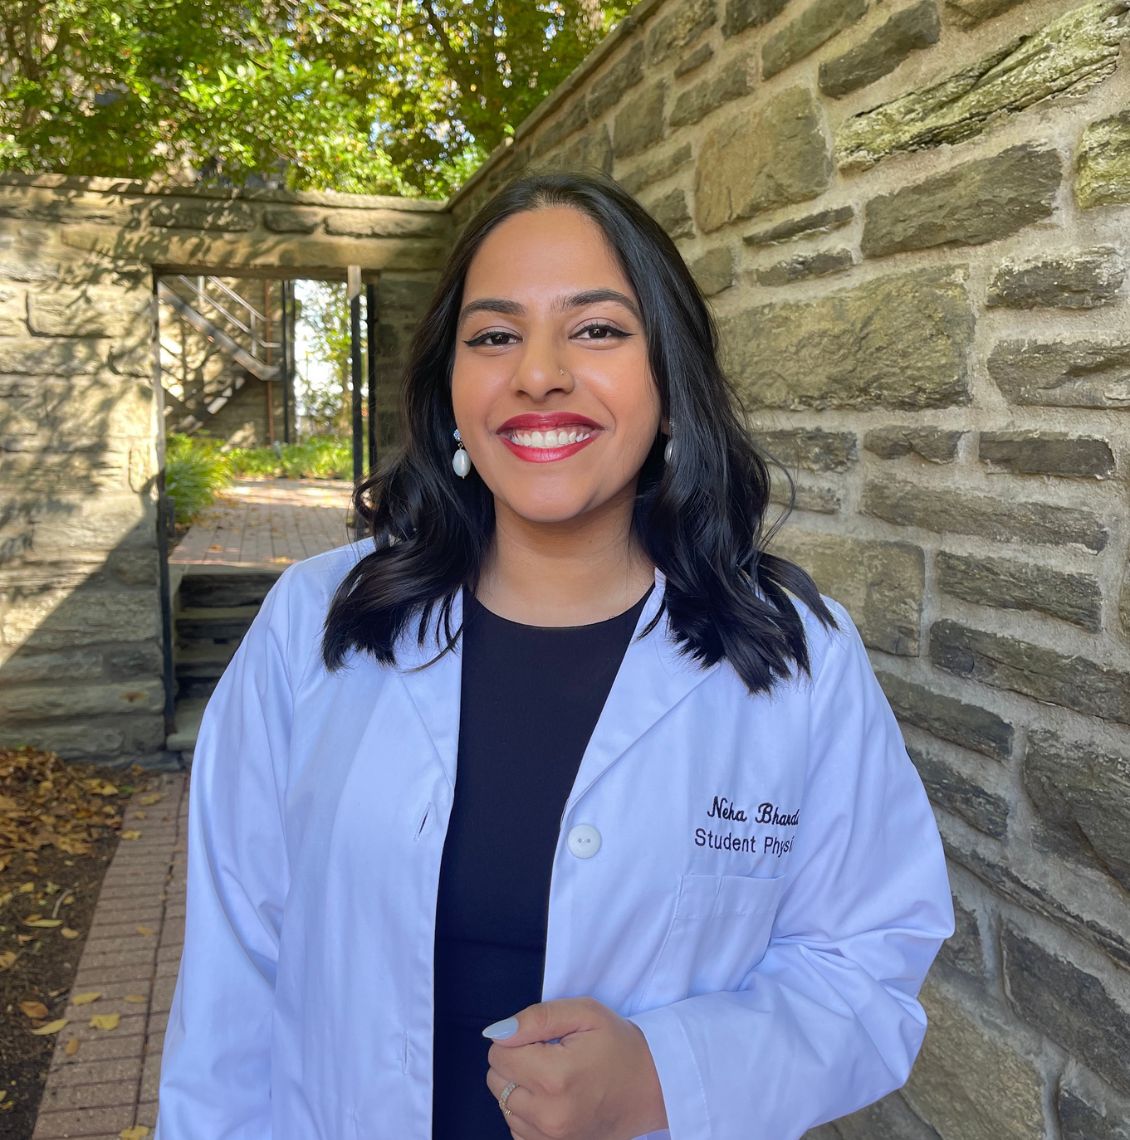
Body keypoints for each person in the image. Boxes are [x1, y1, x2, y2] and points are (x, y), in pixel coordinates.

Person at [156, 171, 953, 1140]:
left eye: (596, 330)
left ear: (669, 388)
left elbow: (866, 960)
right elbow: (231, 990)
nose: (536, 372)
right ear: (450, 397)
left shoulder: (794, 658)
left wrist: (664, 1078)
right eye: (493, 336)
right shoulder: (310, 629)